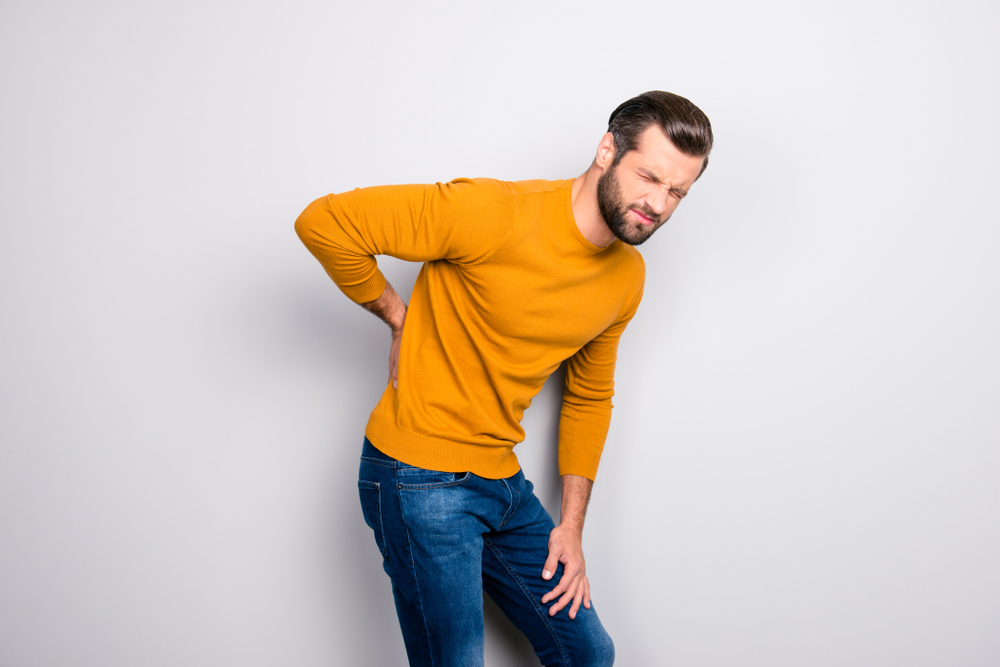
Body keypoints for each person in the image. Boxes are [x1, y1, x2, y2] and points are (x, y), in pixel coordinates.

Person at [295, 90, 713, 667]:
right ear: (606, 151)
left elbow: (589, 397)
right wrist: (398, 318)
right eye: (650, 177)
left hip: (501, 481)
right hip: (417, 477)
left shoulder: (626, 277)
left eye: (677, 193)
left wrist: (570, 528)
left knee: (587, 654)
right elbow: (325, 223)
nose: (658, 204)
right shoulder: (493, 212)